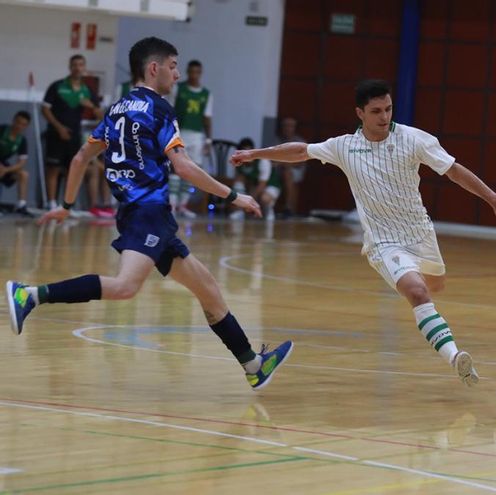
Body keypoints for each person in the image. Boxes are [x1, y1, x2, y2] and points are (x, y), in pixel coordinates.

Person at [6, 37, 292, 390]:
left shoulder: (115, 110)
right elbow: (184, 167)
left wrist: (65, 206)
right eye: (173, 67)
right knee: (126, 287)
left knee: (208, 290)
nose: (176, 74)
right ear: (154, 68)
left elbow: (80, 159)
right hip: (148, 213)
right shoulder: (159, 110)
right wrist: (234, 195)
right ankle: (30, 295)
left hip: (138, 214)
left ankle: (253, 364)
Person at [230, 79, 496, 386]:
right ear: (360, 113)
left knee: (435, 285)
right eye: (376, 111)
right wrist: (255, 154)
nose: (384, 117)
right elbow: (301, 151)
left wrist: (495, 200)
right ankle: (455, 357)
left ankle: (434, 318)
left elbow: (453, 170)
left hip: (421, 233)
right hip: (384, 243)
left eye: (388, 109)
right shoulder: (344, 147)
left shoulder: (413, 139)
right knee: (418, 292)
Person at [42, 54, 105, 210]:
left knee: (72, 170)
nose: (78, 68)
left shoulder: (87, 90)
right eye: (75, 64)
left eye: (81, 65)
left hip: (74, 135)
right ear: (70, 67)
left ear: (84, 68)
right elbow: (45, 109)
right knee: (53, 169)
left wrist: (91, 105)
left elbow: (101, 116)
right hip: (56, 133)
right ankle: (51, 204)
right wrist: (59, 127)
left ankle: (66, 206)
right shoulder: (57, 86)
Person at [169, 60, 213, 218]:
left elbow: (207, 118)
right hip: (180, 133)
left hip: (196, 136)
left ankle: (182, 205)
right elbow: (170, 110)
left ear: (200, 73)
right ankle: (171, 205)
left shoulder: (206, 94)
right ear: (187, 72)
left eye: (197, 72)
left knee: (192, 170)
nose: (194, 75)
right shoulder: (178, 89)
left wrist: (208, 140)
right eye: (191, 72)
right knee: (176, 168)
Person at [230, 138, 282, 221]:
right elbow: (237, 181)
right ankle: (239, 211)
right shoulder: (238, 162)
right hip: (254, 185)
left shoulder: (263, 161)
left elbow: (262, 185)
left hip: (271, 185)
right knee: (238, 184)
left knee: (264, 198)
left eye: (248, 151)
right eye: (243, 152)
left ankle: (269, 211)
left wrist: (248, 202)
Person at [0, 111, 34, 216]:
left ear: (26, 126)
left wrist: (6, 170)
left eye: (23, 124)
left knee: (23, 174)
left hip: (3, 166)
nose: (19, 126)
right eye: (18, 122)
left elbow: (21, 163)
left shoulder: (22, 140)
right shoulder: (2, 130)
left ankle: (21, 205)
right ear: (13, 121)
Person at [275, 117, 306, 218]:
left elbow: (301, 162)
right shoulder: (277, 140)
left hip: (296, 170)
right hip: (278, 169)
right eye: (285, 126)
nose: (288, 128)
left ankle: (288, 207)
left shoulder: (300, 141)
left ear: (294, 128)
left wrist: (285, 164)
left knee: (288, 173)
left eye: (290, 126)